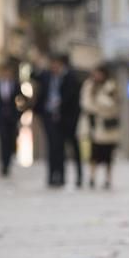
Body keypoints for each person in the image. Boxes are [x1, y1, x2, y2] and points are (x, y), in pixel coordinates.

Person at [33, 54, 82, 187]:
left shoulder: (70, 77)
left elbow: (73, 98)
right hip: (48, 116)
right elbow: (34, 77)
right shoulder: (46, 76)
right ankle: (51, 175)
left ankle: (63, 175)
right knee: (52, 147)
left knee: (63, 147)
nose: (53, 67)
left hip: (65, 118)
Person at [80, 64, 120, 189]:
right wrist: (98, 105)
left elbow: (112, 105)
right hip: (93, 124)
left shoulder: (111, 86)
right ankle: (92, 177)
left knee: (108, 153)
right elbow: (86, 104)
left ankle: (108, 178)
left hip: (108, 125)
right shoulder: (89, 85)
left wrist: (99, 103)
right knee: (94, 152)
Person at [0, 63, 23, 177]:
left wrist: (19, 112)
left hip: (12, 117)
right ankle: (4, 164)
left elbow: (21, 98)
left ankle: (8, 162)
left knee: (10, 139)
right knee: (3, 139)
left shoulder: (15, 84)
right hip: (1, 116)